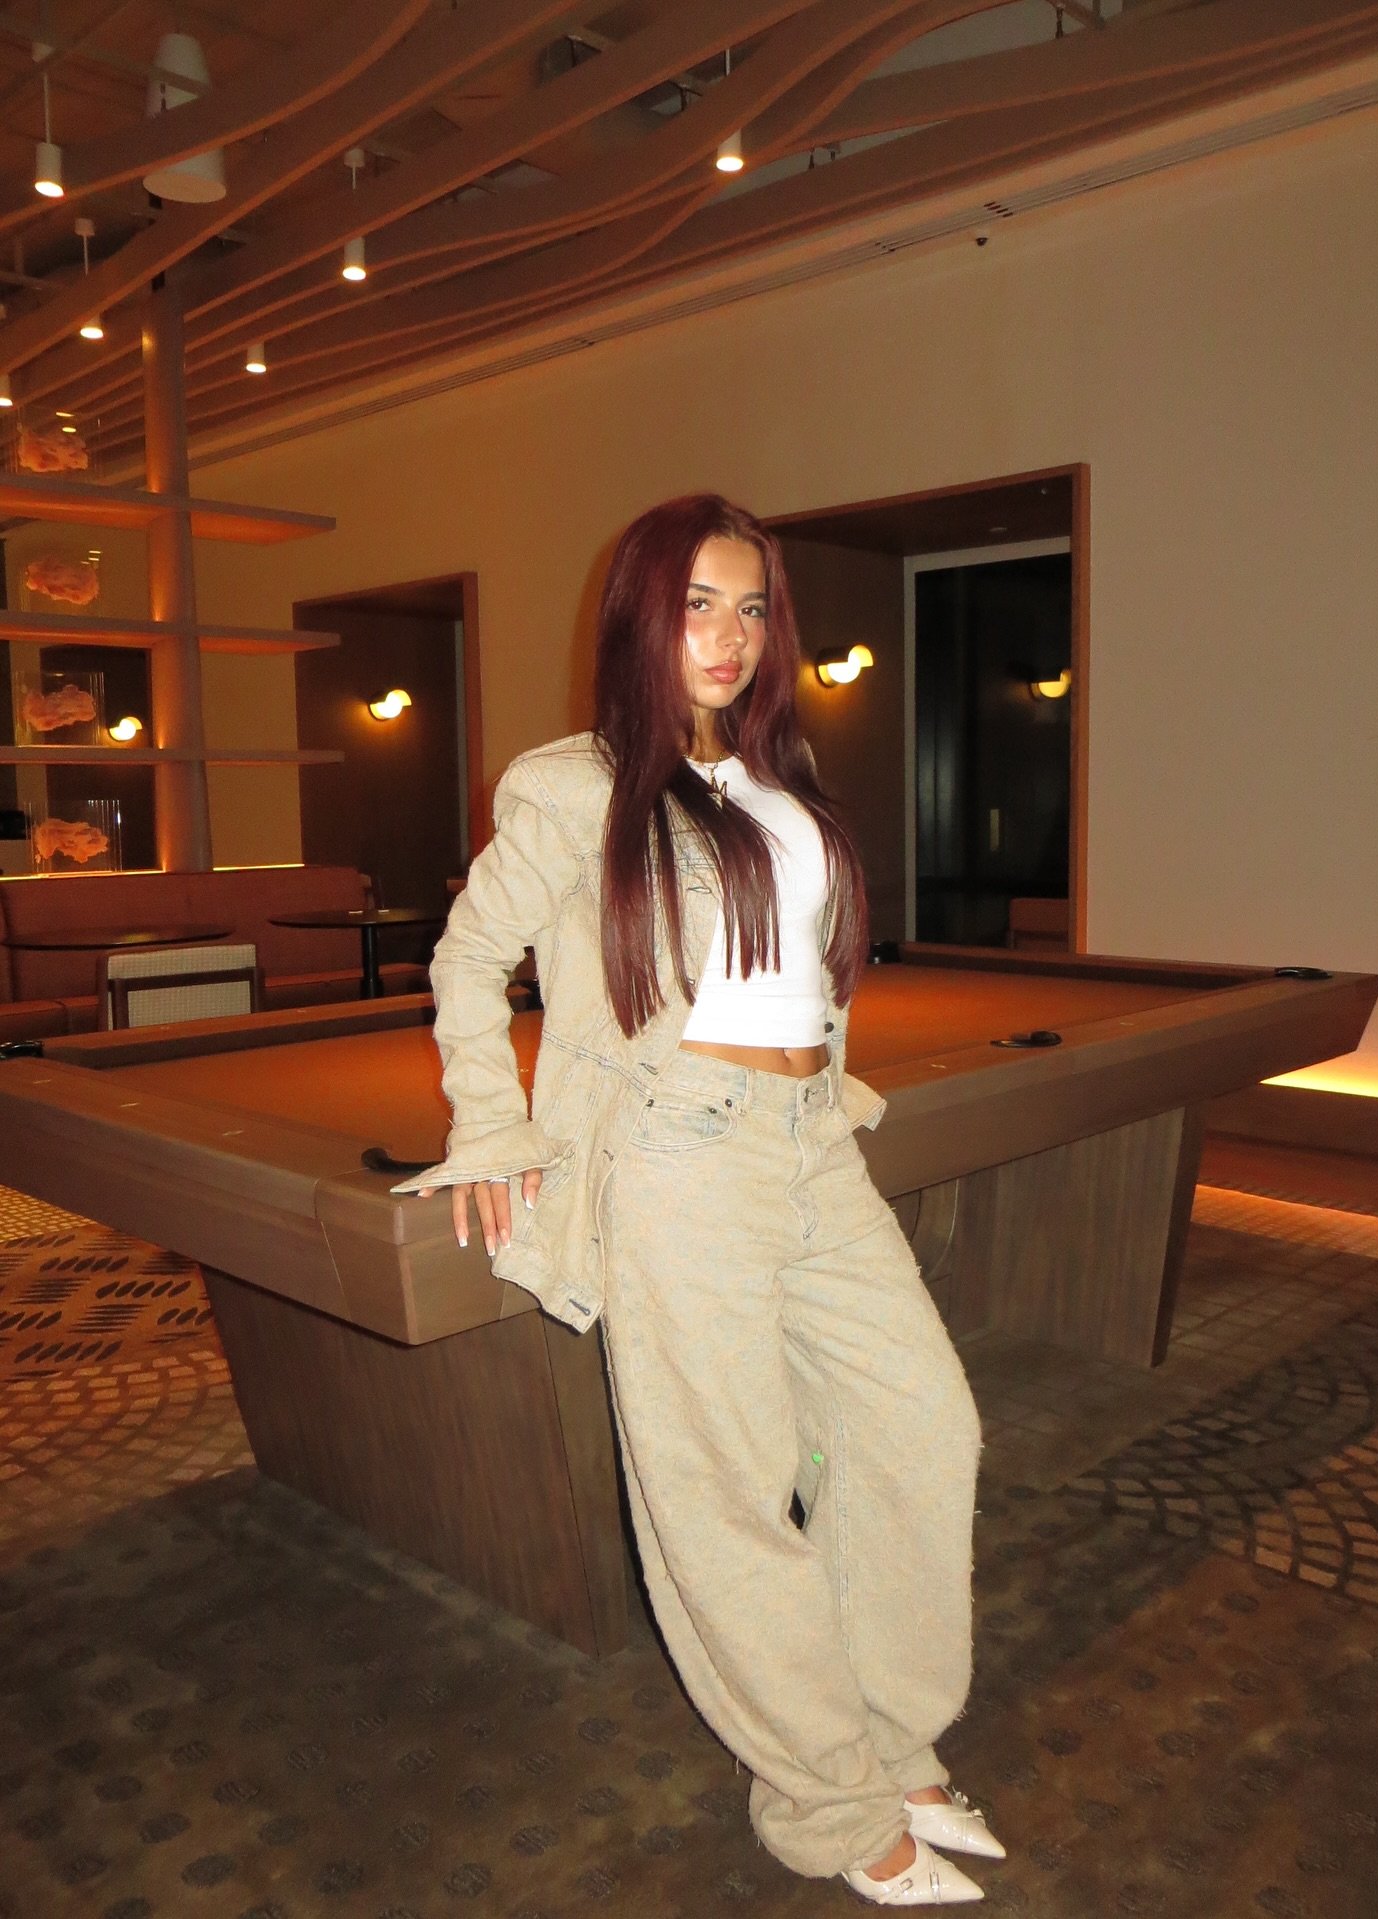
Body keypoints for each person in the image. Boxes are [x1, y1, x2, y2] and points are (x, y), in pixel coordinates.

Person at [398, 495, 1001, 1906]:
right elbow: (467, 961)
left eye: (749, 608)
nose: (728, 637)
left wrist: (817, 1096)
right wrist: (493, 1127)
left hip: (812, 1146)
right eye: (696, 606)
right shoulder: (576, 786)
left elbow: (809, 977)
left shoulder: (784, 777)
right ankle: (828, 1804)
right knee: (726, 1499)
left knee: (923, 1426)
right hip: (678, 1157)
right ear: (640, 617)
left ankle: (888, 1733)